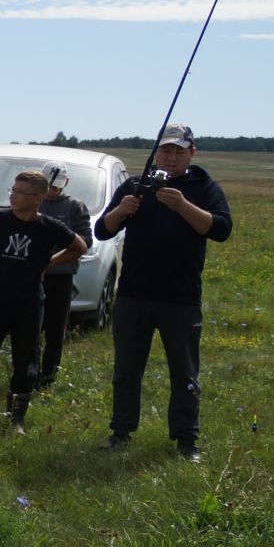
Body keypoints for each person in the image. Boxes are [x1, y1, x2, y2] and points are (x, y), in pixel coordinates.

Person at [93, 123, 233, 462]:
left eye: (179, 151)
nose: (171, 158)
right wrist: (121, 211)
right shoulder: (136, 185)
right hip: (133, 295)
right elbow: (102, 230)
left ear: (192, 153)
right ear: (157, 152)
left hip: (180, 298)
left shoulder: (203, 186)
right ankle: (121, 431)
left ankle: (187, 441)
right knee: (127, 370)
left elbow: (221, 230)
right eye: (166, 150)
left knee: (184, 372)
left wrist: (182, 205)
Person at [0, 170, 86, 432]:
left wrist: (48, 264)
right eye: (12, 190)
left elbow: (79, 246)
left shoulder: (48, 226)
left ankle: (15, 421)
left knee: (27, 360)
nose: (13, 196)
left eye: (20, 192)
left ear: (37, 198)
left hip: (29, 303)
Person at [36, 162, 93, 389]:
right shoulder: (32, 201)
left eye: (57, 188)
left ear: (65, 184)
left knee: (55, 328)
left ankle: (48, 376)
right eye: (49, 187)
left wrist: (52, 261)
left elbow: (85, 240)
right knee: (31, 327)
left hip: (60, 277)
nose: (53, 192)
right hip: (32, 277)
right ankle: (29, 372)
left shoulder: (75, 207)